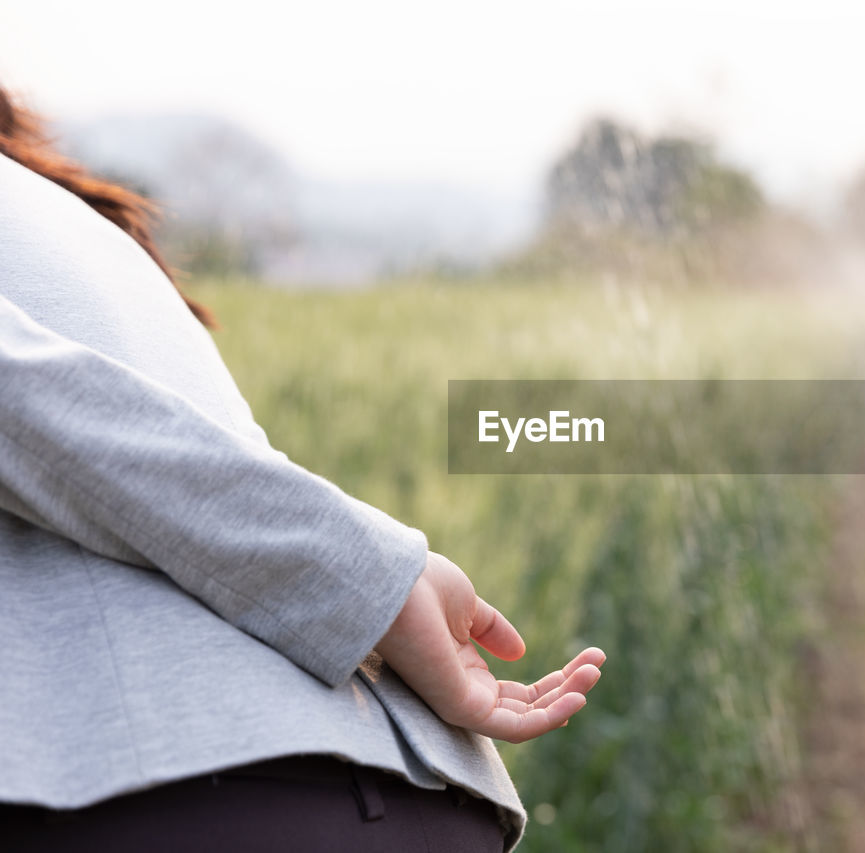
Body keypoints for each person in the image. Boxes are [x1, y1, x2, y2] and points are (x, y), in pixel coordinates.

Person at [0, 84, 605, 852]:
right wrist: (376, 573)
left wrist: (368, 580)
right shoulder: (76, 219)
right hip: (423, 793)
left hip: (172, 806)